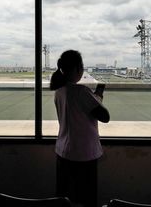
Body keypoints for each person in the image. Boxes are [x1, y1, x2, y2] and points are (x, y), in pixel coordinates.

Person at [50, 50, 110, 207]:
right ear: (77, 68)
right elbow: (105, 116)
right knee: (86, 199)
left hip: (63, 152)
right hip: (83, 155)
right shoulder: (81, 91)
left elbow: (83, 109)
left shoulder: (59, 91)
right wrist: (99, 94)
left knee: (65, 199)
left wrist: (96, 95)